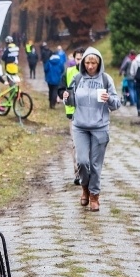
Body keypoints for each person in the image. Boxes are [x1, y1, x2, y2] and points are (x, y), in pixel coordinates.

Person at [62, 47, 121, 212]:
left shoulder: (105, 79)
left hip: (100, 127)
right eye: (87, 62)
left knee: (95, 165)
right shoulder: (77, 78)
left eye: (93, 63)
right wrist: (67, 99)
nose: (89, 66)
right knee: (82, 161)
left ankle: (94, 195)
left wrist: (109, 99)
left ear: (99, 63)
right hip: (80, 126)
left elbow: (117, 103)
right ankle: (85, 188)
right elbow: (71, 102)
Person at [60, 47, 84, 185]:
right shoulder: (68, 72)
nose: (80, 61)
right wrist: (62, 94)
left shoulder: (93, 73)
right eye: (78, 59)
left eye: (82, 59)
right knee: (76, 144)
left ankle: (88, 171)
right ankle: (77, 174)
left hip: (89, 114)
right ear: (74, 60)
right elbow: (61, 88)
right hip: (73, 113)